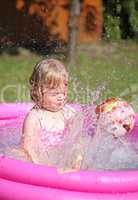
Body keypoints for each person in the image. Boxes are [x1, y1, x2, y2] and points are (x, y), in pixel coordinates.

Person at [22, 58, 82, 170]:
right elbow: (27, 148)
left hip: (64, 160)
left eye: (63, 92)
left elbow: (77, 142)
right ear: (38, 91)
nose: (61, 97)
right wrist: (41, 168)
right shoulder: (35, 117)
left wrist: (77, 160)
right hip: (43, 163)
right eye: (55, 94)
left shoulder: (68, 114)